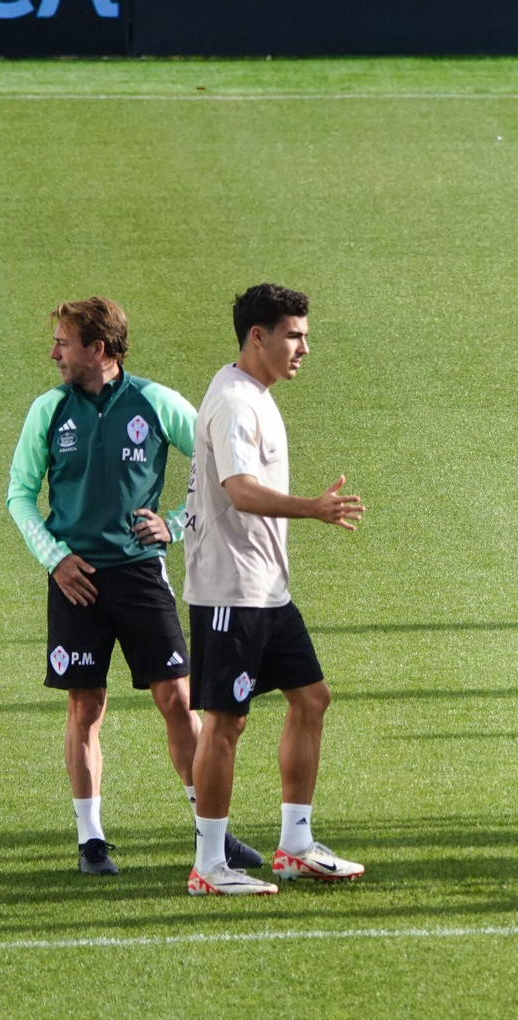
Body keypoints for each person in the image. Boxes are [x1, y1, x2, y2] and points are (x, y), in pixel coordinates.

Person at [5, 297, 262, 876]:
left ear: (98, 349)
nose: (53, 354)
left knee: (177, 700)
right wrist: (54, 558)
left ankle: (212, 833)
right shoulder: (49, 410)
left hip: (141, 574)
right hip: (75, 579)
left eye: (63, 343)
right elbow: (19, 494)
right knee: (85, 706)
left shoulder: (157, 402)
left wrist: (175, 523)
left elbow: (222, 469)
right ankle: (91, 841)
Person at [183, 284, 366, 896]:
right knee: (225, 722)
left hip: (265, 589)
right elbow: (238, 490)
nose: (304, 348)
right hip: (229, 591)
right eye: (294, 336)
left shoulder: (253, 393)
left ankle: (295, 845)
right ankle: (210, 864)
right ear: (257, 336)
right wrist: (311, 508)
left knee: (311, 698)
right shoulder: (235, 401)